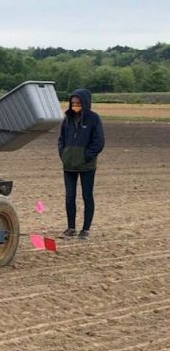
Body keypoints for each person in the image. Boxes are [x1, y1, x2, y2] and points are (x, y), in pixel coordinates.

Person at [57, 88, 104, 239]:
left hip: (86, 166)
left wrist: (86, 156)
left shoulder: (94, 119)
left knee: (87, 196)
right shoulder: (67, 119)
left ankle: (85, 229)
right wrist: (64, 155)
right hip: (69, 165)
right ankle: (71, 227)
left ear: (85, 103)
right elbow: (61, 140)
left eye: (78, 103)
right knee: (70, 196)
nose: (75, 105)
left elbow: (99, 142)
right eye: (73, 103)